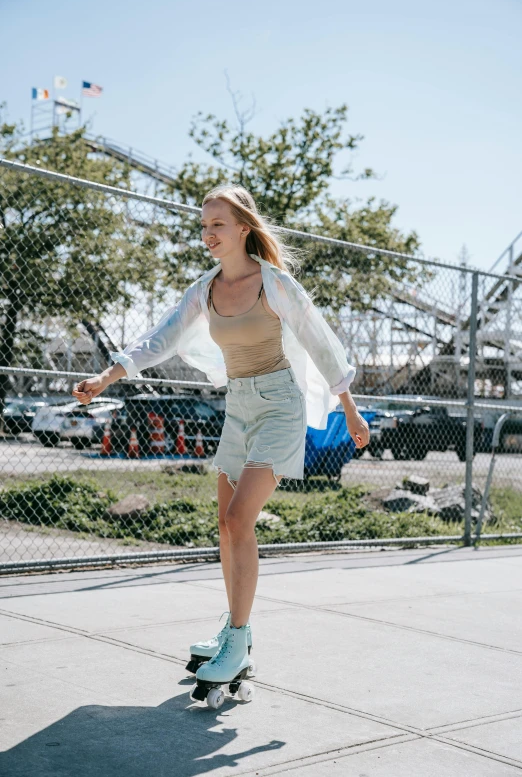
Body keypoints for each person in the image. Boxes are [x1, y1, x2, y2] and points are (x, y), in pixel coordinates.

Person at [72, 184, 370, 701]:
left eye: (218, 225)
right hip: (239, 407)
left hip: (279, 406)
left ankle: (236, 638)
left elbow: (321, 342)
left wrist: (349, 407)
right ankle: (238, 631)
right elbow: (159, 337)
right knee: (224, 528)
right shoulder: (204, 288)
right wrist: (105, 377)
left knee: (239, 521)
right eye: (204, 225)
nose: (208, 234)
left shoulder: (274, 284)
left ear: (244, 230)